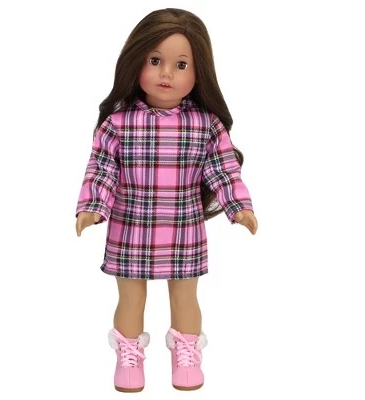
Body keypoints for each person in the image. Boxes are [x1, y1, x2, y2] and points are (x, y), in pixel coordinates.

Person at [75, 8, 258, 392]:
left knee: (185, 296)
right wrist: (92, 207)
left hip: (182, 227)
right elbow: (103, 169)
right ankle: (128, 357)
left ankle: (186, 354)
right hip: (131, 226)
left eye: (181, 64)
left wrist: (238, 206)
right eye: (155, 61)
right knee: (130, 297)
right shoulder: (118, 123)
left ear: (199, 72)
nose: (167, 74)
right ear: (135, 61)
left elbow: (223, 170)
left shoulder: (205, 125)